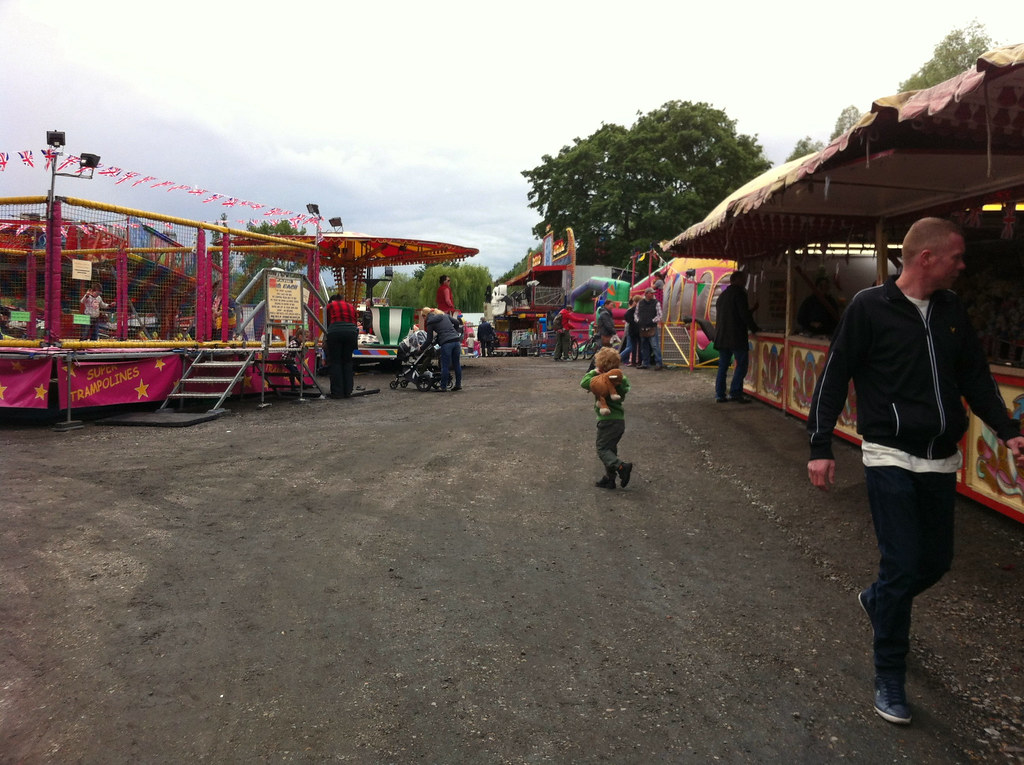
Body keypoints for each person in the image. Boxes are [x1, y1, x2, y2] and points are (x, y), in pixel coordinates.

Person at [807, 217, 1024, 726]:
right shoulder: (868, 308)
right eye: (957, 256)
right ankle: (889, 675)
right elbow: (834, 374)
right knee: (903, 563)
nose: (963, 265)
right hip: (889, 453)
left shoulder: (951, 311)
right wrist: (820, 447)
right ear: (927, 258)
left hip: (941, 456)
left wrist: (1007, 429)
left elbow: (975, 374)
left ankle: (878, 599)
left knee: (936, 562)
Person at [581, 346, 632, 489]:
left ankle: (621, 467)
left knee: (602, 448)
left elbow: (584, 382)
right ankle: (610, 479)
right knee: (610, 449)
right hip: (619, 420)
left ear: (600, 364)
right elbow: (625, 389)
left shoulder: (597, 377)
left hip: (606, 420)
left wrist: (594, 372)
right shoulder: (621, 378)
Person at [714, 271, 759, 402]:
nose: (745, 282)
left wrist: (752, 310)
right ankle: (735, 392)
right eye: (744, 279)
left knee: (723, 366)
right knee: (742, 364)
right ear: (738, 280)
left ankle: (720, 394)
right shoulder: (739, 294)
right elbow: (743, 315)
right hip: (736, 336)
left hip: (722, 336)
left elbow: (733, 314)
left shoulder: (723, 295)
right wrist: (755, 328)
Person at [324, 293, 359, 399]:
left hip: (335, 333)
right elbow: (355, 322)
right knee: (347, 362)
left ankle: (337, 392)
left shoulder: (330, 306)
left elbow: (327, 322)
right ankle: (348, 391)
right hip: (351, 334)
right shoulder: (351, 307)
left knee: (335, 362)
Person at [423, 307, 463, 391]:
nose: (424, 318)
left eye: (423, 316)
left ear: (425, 315)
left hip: (446, 343)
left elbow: (429, 339)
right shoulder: (445, 316)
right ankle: (458, 384)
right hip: (456, 341)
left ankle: (443, 386)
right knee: (456, 364)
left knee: (445, 365)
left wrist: (421, 348)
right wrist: (454, 332)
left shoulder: (430, 323)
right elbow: (457, 322)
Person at [635, 287, 663, 369]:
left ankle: (659, 363)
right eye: (651, 293)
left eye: (653, 293)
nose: (652, 294)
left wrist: (653, 321)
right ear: (646, 294)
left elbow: (660, 315)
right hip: (642, 327)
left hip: (652, 327)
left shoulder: (656, 303)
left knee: (655, 346)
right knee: (644, 346)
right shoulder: (640, 303)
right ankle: (645, 363)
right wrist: (638, 320)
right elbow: (636, 314)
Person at [621, 296, 641, 367]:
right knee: (632, 347)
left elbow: (627, 317)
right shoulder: (635, 310)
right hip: (635, 330)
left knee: (630, 346)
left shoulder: (631, 310)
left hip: (631, 330)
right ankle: (634, 361)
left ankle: (626, 359)